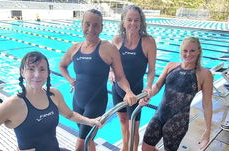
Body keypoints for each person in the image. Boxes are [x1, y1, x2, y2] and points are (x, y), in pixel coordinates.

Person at [0, 51, 101, 151]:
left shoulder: (54, 94)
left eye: (42, 69)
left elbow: (70, 115)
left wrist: (90, 121)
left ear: (48, 73)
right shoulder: (13, 104)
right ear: (22, 72)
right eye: (31, 69)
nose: (37, 75)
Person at [59, 9, 137, 151]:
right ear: (82, 24)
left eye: (95, 25)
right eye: (87, 24)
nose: (91, 29)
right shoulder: (75, 49)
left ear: (101, 27)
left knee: (80, 144)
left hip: (96, 103)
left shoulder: (109, 49)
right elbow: (62, 66)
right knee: (89, 139)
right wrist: (71, 80)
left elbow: (120, 76)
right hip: (77, 103)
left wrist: (128, 91)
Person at [142, 37, 213, 151]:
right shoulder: (171, 66)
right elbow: (157, 86)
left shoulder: (204, 74)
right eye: (185, 51)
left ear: (199, 51)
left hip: (178, 121)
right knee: (146, 148)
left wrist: (207, 131)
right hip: (159, 115)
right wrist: (148, 95)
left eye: (192, 51)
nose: (188, 54)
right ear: (181, 51)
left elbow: (207, 104)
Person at [109, 5, 157, 151]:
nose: (133, 23)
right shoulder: (116, 40)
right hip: (117, 90)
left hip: (135, 92)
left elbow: (152, 70)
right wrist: (111, 72)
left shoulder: (148, 42)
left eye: (136, 20)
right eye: (129, 20)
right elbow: (112, 64)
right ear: (123, 21)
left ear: (141, 22)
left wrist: (148, 87)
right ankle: (125, 148)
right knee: (123, 124)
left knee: (134, 129)